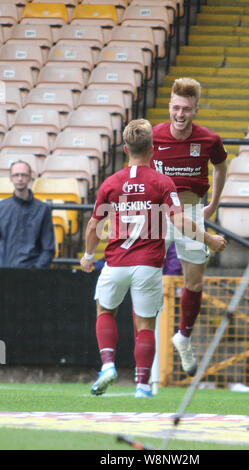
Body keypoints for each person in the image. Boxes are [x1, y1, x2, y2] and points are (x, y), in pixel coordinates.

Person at [80, 119, 226, 398]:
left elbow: (93, 226)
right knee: (145, 324)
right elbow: (180, 220)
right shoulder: (162, 182)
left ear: (125, 149)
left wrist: (88, 256)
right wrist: (210, 239)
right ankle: (143, 386)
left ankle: (108, 365)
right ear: (153, 150)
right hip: (148, 264)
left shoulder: (111, 183)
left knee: (105, 311)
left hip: (116, 262)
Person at [150, 77, 228, 377]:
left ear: (195, 110)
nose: (179, 115)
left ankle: (183, 337)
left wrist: (215, 203)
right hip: (158, 212)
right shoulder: (153, 135)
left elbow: (221, 167)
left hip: (192, 211)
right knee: (144, 277)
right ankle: (143, 362)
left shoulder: (209, 139)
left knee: (194, 283)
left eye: (186, 109)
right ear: (169, 106)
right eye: (175, 108)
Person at [0, 160, 55, 268]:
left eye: (24, 175)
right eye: (16, 175)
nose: (20, 178)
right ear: (11, 178)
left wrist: (34, 272)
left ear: (30, 177)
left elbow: (48, 248)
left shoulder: (42, 210)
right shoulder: (1, 208)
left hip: (31, 277)